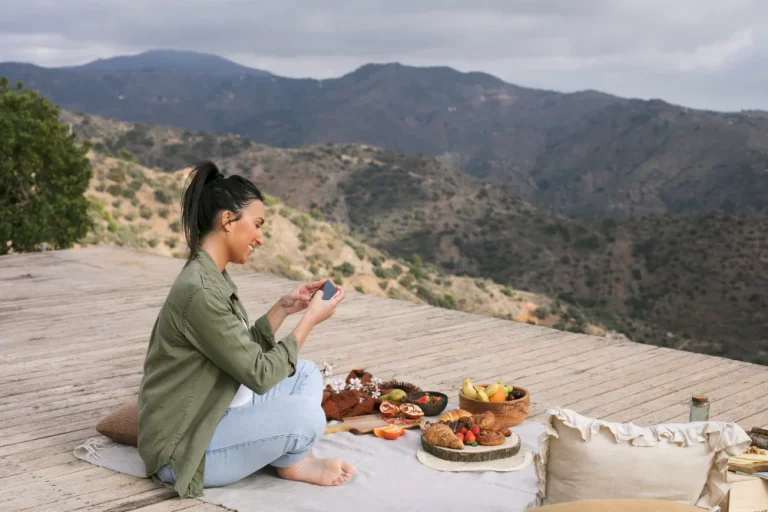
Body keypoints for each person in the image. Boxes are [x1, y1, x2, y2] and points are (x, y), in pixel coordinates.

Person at [137, 160, 355, 498]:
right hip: (186, 447)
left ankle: (291, 458)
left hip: (221, 406)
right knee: (307, 417)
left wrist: (283, 308)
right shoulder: (201, 291)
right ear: (227, 220)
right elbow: (258, 373)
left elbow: (234, 350)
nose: (260, 238)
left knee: (307, 372)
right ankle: (294, 460)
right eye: (256, 224)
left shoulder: (211, 275)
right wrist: (308, 320)